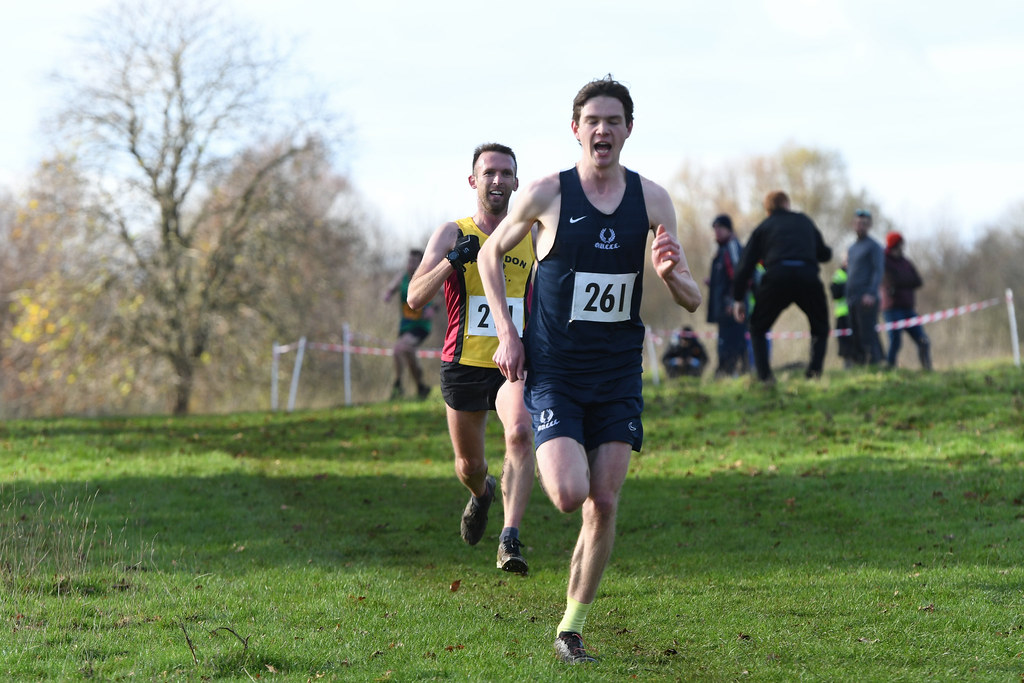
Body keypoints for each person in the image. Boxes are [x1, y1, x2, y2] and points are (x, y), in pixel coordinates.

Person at [477, 75, 701, 665]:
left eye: (614, 120)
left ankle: (571, 626)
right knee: (570, 494)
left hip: (619, 373)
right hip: (555, 371)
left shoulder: (653, 200)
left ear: (629, 129)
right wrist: (508, 331)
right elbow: (488, 252)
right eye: (593, 121)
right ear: (575, 129)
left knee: (605, 497)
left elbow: (691, 298)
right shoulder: (549, 193)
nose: (603, 130)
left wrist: (672, 274)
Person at [405, 143, 536, 575]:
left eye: (506, 173)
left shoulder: (532, 234)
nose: (497, 180)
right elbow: (413, 298)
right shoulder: (451, 232)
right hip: (462, 363)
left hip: (512, 359)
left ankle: (509, 538)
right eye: (489, 173)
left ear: (517, 182)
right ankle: (482, 494)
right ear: (473, 180)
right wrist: (450, 261)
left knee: (519, 432)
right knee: (470, 465)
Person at [731, 190, 832, 382]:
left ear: (768, 210)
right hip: (807, 277)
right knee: (820, 326)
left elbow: (744, 265)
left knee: (758, 328)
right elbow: (824, 254)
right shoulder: (804, 221)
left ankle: (765, 378)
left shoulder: (764, 227)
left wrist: (738, 299)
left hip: (777, 278)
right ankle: (814, 374)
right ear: (787, 204)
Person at [383, 249, 437, 399]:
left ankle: (398, 386)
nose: (410, 264)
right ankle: (421, 387)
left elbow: (443, 293)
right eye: (409, 261)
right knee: (404, 352)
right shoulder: (402, 277)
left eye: (414, 262)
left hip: (421, 325)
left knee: (401, 348)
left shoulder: (427, 277)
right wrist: (388, 294)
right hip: (406, 325)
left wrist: (433, 309)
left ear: (421, 263)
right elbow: (392, 287)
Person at [706, 214, 749, 377]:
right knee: (726, 342)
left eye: (720, 228)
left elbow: (738, 276)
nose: (716, 232)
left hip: (732, 309)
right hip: (725, 309)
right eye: (714, 229)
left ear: (729, 229)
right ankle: (728, 373)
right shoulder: (722, 250)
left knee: (733, 342)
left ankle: (732, 374)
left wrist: (733, 302)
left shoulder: (731, 247)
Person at [882, 231, 932, 370]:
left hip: (908, 308)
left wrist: (900, 282)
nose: (902, 247)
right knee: (895, 342)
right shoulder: (883, 260)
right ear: (895, 245)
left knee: (923, 340)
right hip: (891, 308)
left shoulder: (905, 262)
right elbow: (889, 281)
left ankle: (927, 368)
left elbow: (917, 281)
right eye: (900, 244)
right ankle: (889, 368)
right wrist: (903, 281)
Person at [845, 208, 885, 366]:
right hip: (851, 297)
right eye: (857, 223)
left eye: (864, 223)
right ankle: (860, 364)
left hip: (866, 297)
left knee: (867, 332)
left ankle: (875, 363)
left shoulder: (874, 247)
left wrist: (871, 293)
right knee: (855, 334)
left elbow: (878, 270)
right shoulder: (851, 248)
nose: (860, 226)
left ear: (869, 226)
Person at [830, 257, 856, 368]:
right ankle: (848, 366)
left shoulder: (858, 273)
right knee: (845, 343)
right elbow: (835, 294)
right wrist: (848, 287)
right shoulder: (839, 275)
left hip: (857, 314)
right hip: (843, 314)